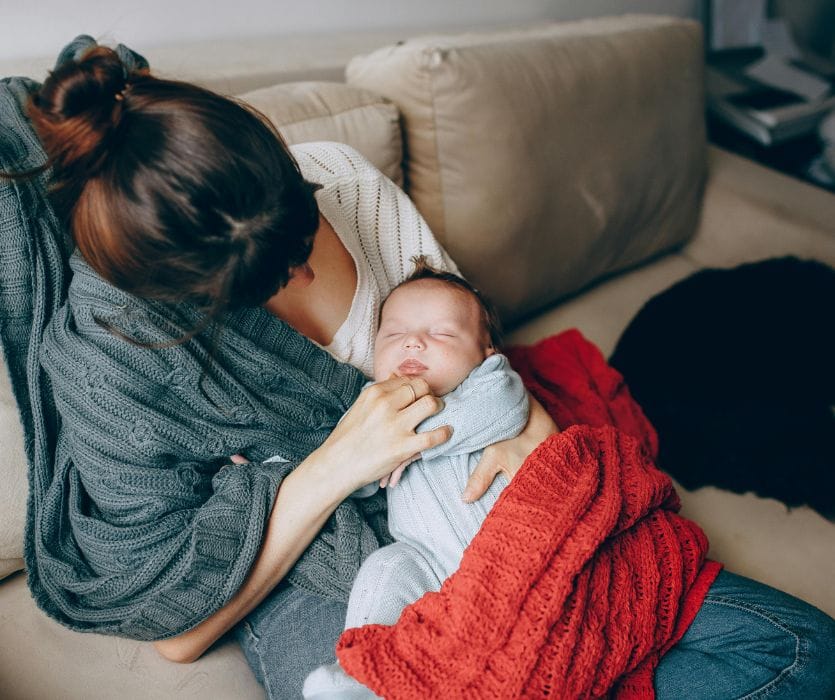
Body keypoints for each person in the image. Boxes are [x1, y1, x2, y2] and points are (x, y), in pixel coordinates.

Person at [6, 41, 834, 699]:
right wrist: (338, 463)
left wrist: (533, 430)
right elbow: (177, 632)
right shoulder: (115, 360)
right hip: (321, 564)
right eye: (258, 290)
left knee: (802, 654)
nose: (301, 277)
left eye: (298, 246)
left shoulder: (341, 182)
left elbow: (469, 345)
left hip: (462, 483)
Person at [303, 261, 530, 698]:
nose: (413, 341)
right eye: (394, 334)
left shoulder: (490, 383)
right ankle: (362, 675)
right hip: (430, 565)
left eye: (441, 333)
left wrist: (402, 442)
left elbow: (504, 409)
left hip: (510, 551)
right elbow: (353, 477)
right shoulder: (372, 408)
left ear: (487, 352)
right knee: (385, 569)